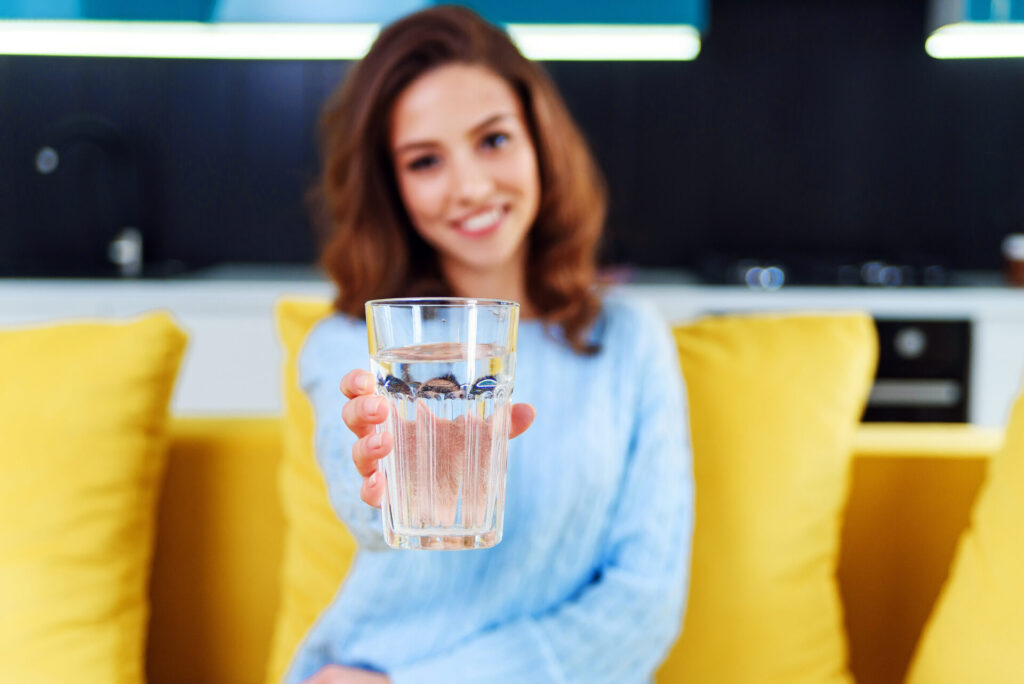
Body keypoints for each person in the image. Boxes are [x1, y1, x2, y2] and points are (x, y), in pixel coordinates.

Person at [287, 6, 694, 683]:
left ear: (541, 144)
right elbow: (364, 497)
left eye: (494, 141)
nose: (471, 186)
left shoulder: (630, 343)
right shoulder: (351, 343)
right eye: (425, 161)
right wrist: (381, 479)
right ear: (392, 188)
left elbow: (644, 605)